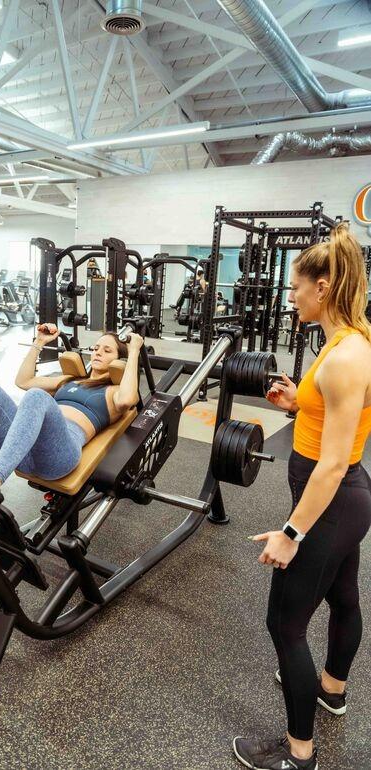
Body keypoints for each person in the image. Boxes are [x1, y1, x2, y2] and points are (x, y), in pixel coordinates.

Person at [233, 222, 371, 770]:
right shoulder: (347, 340)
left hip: (330, 500)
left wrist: (292, 533)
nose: (290, 297)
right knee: (344, 597)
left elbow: (332, 464)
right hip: (344, 498)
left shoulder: (345, 357)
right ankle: (331, 690)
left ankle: (298, 754)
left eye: (295, 287)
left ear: (322, 287)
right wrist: (298, 403)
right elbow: (341, 415)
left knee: (284, 625)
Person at [0, 324, 142, 486]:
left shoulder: (113, 391)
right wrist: (39, 341)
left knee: (37, 396)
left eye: (107, 350)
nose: (98, 353)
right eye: (96, 348)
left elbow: (128, 400)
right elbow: (23, 381)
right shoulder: (69, 381)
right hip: (23, 452)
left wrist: (134, 351)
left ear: (119, 360)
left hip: (59, 456)